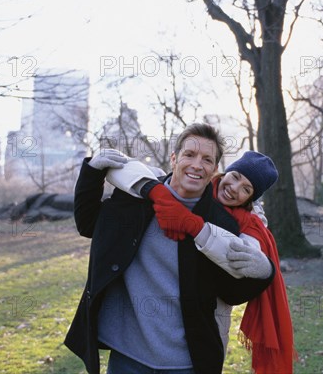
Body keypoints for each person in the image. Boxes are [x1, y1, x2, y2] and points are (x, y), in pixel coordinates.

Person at [64, 123, 275, 374]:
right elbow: (88, 224)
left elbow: (230, 292)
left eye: (207, 159)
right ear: (174, 159)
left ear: (214, 170)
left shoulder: (222, 225)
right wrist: (92, 172)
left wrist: (265, 272)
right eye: (189, 154)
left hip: (186, 362)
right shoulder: (136, 198)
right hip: (127, 356)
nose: (197, 164)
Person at [109, 150, 296, 374]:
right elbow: (124, 169)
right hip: (138, 339)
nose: (234, 188)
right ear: (226, 171)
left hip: (199, 337)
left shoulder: (250, 226)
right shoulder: (188, 184)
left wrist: (266, 269)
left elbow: (239, 261)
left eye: (246, 189)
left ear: (251, 199)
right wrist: (157, 192)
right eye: (235, 176)